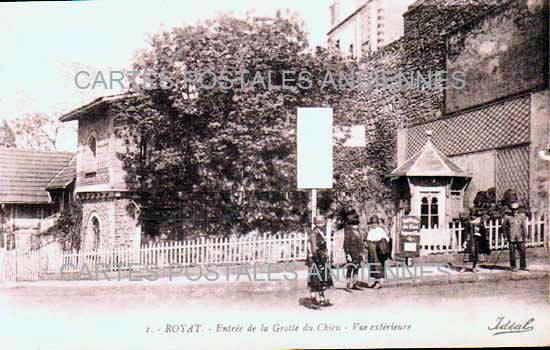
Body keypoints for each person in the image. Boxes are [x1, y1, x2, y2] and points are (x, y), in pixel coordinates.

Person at [306, 215, 333, 307]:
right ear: (315, 223)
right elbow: (313, 248)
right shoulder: (314, 233)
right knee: (315, 279)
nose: (321, 224)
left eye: (322, 222)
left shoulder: (320, 232)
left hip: (320, 258)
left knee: (320, 279)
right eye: (318, 222)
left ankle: (322, 299)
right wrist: (317, 259)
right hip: (316, 259)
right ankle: (313, 300)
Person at [366, 215, 390, 289]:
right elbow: (368, 240)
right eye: (372, 223)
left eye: (375, 223)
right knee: (372, 265)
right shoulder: (370, 230)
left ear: (377, 223)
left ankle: (379, 282)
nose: (373, 224)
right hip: (371, 250)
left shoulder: (380, 230)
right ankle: (375, 281)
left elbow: (386, 239)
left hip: (378, 250)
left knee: (378, 266)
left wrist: (380, 243)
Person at [503, 203, 528, 271]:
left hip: (520, 237)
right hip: (511, 238)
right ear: (511, 210)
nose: (515, 211)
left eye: (516, 209)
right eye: (513, 210)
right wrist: (505, 237)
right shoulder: (507, 217)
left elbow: (524, 227)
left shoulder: (521, 217)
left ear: (518, 210)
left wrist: (525, 237)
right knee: (512, 252)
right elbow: (504, 228)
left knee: (522, 251)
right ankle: (513, 266)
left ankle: (523, 266)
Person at [343, 209, 363, 290]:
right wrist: (347, 254)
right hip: (351, 254)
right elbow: (345, 245)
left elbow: (360, 244)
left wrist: (362, 253)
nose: (356, 226)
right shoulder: (348, 234)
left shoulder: (359, 233)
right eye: (354, 225)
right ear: (351, 226)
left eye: (357, 225)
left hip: (358, 254)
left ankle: (355, 284)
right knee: (350, 269)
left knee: (356, 269)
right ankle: (348, 284)